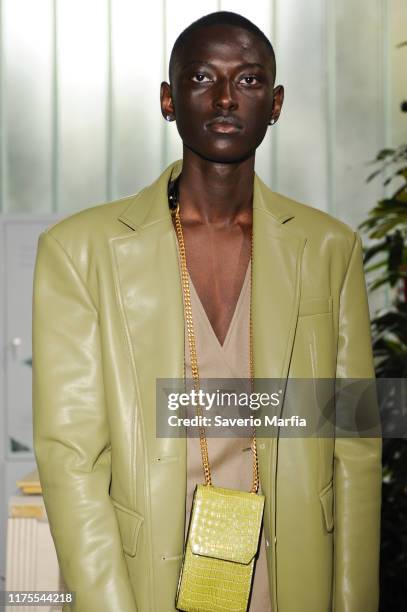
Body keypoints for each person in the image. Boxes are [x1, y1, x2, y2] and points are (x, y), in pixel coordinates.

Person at [32, 10, 382, 612]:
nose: (225, 97)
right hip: (145, 583)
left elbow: (354, 444)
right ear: (168, 100)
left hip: (291, 573)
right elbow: (72, 460)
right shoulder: (80, 251)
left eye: (248, 81)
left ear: (275, 104)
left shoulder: (329, 249)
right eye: (201, 78)